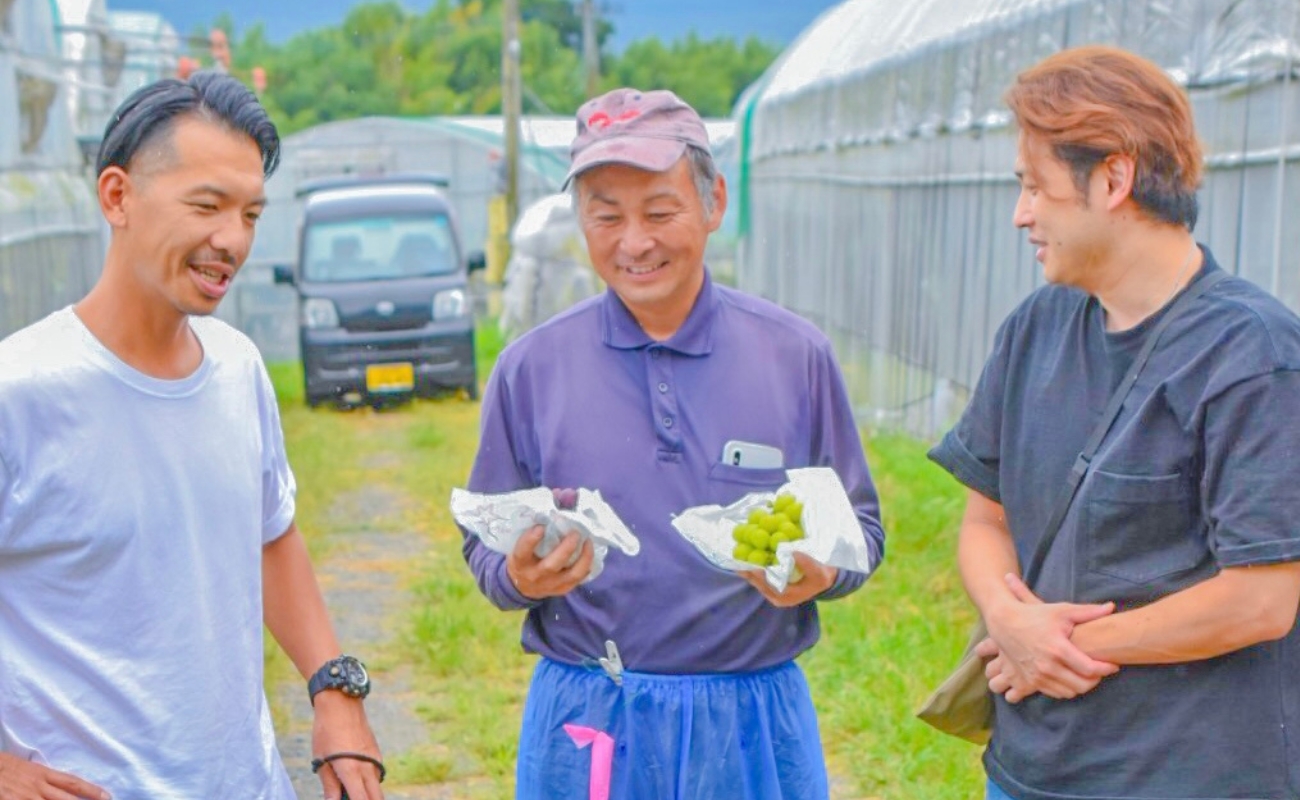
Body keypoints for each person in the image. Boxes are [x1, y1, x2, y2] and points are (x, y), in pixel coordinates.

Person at [460, 87, 885, 799]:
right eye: (606, 216)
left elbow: (862, 531)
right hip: (591, 710)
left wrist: (825, 572)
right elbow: (482, 540)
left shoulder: (794, 356)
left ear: (713, 202)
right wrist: (517, 578)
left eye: (660, 212)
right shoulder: (532, 369)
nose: (634, 242)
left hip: (750, 716)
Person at [927, 46, 1300, 800]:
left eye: (1036, 187)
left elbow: (1261, 599)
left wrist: (1054, 644)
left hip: (1185, 776)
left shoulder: (1252, 354)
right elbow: (984, 522)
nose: (1020, 213)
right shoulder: (1037, 326)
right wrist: (1006, 615)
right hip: (1029, 768)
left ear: (1114, 178)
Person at [0, 73, 385, 800]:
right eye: (207, 207)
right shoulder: (19, 392)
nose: (231, 240)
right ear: (117, 196)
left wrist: (336, 692)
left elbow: (271, 536)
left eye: (250, 214)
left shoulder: (238, 370)